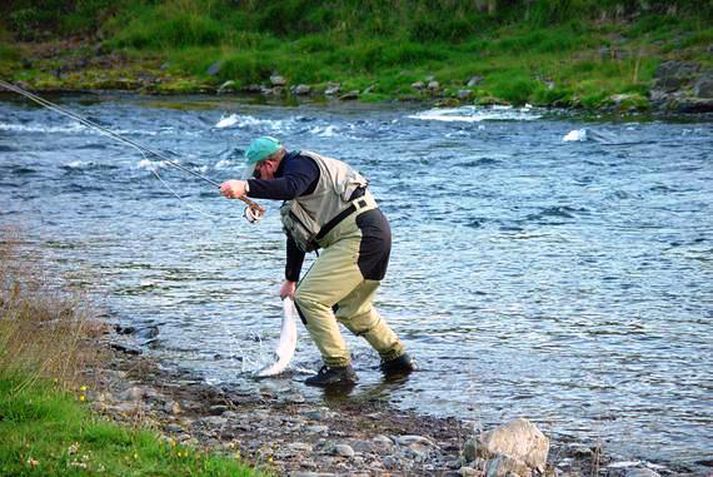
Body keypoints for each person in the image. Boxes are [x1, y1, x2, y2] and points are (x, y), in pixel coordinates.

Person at [220, 136, 414, 387]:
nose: (258, 180)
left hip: (360, 235)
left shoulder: (300, 165)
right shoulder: (297, 191)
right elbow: (297, 236)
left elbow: (289, 186)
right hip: (373, 236)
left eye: (257, 174)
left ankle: (339, 368)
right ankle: (397, 360)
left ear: (268, 165)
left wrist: (245, 187)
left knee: (310, 298)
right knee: (352, 308)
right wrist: (291, 279)